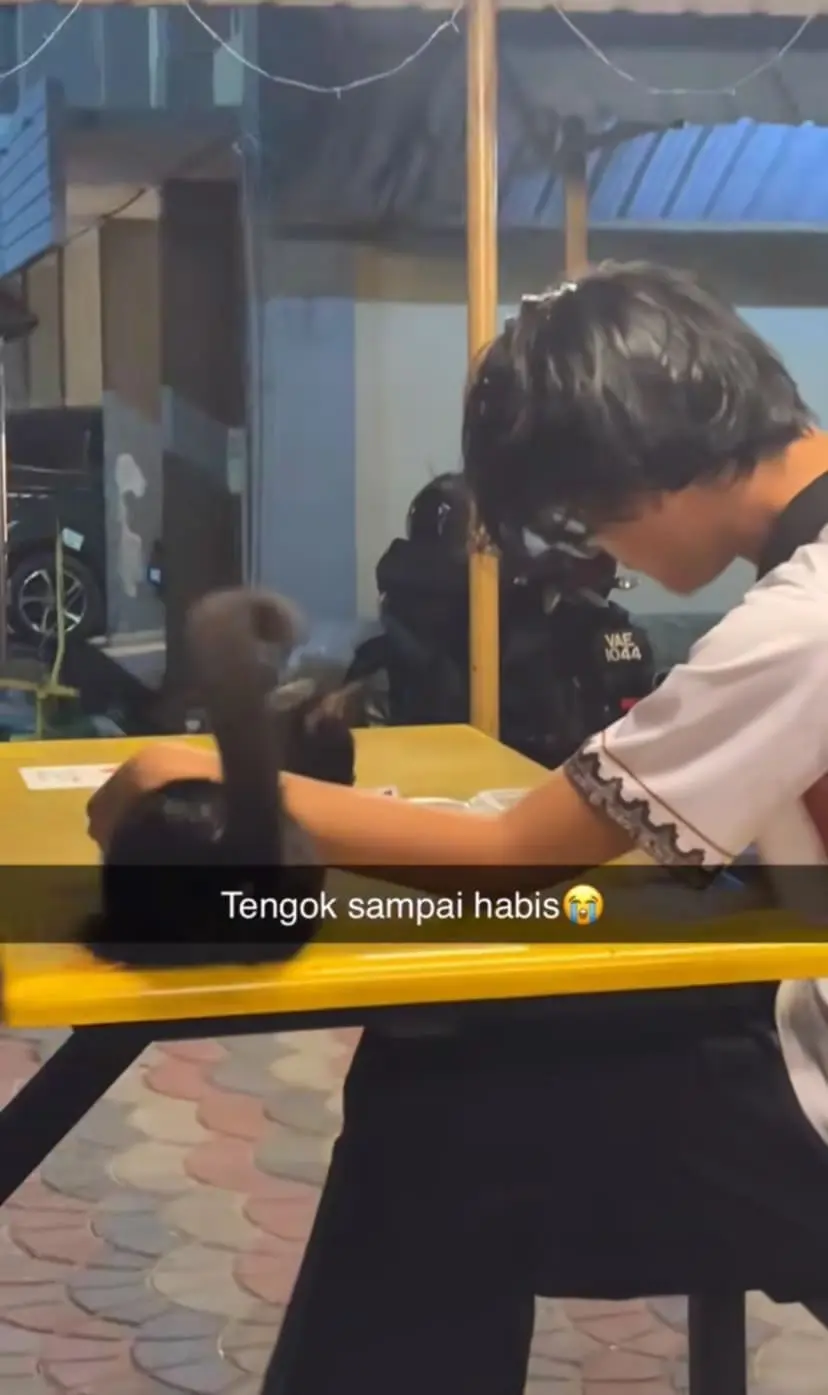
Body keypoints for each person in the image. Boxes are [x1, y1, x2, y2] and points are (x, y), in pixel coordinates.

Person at [88, 263, 828, 1393]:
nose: (598, 557)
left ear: (639, 468)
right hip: (789, 992)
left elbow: (515, 861)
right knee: (460, 1063)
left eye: (582, 521)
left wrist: (209, 768)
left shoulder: (801, 622)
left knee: (437, 1124)